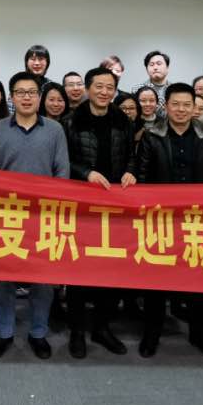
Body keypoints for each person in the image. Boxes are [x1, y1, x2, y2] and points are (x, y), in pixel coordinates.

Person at [129, 83, 203, 360]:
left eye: (187, 105)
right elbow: (142, 176)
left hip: (199, 220)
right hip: (161, 220)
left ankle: (201, 334)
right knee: (156, 281)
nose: (181, 110)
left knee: (201, 281)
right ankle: (152, 333)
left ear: (194, 107)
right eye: (175, 104)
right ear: (166, 106)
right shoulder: (152, 136)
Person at [0, 71, 70, 360]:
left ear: (40, 97)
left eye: (32, 92)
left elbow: (62, 172)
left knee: (43, 280)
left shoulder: (55, 130)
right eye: (20, 92)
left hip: (44, 215)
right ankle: (3, 332)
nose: (27, 97)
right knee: (3, 279)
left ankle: (38, 333)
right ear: (12, 97)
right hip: (7, 215)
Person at [63, 67, 136, 359]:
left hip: (116, 205)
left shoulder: (123, 120)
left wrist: (131, 171)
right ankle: (77, 330)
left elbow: (131, 154)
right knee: (79, 271)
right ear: (88, 89)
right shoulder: (71, 121)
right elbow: (64, 161)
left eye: (110, 87)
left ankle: (102, 327)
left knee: (112, 269)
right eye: (99, 86)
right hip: (82, 205)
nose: (105, 92)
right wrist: (86, 173)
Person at [132, 50, 171, 117]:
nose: (155, 68)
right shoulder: (137, 89)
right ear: (147, 69)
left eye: (159, 64)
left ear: (167, 68)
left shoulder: (175, 90)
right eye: (151, 65)